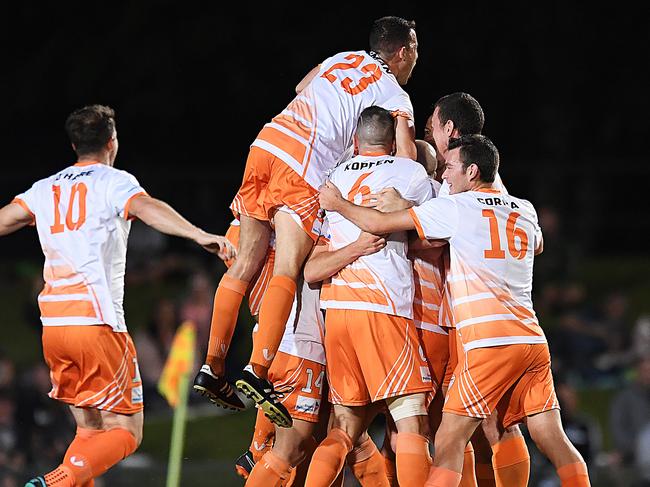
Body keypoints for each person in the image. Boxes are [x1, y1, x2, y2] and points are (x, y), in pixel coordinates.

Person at [318, 134, 591, 487]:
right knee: (550, 438)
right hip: (532, 341)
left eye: (451, 169)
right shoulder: (525, 209)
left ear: (472, 171)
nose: (445, 177)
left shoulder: (457, 208)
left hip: (486, 343)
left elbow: (376, 225)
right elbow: (536, 245)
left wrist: (339, 204)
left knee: (448, 441)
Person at [194, 16, 420, 426]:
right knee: (288, 266)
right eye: (416, 52)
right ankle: (256, 371)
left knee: (245, 262)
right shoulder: (393, 92)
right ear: (402, 53)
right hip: (303, 165)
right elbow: (405, 160)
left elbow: (301, 87)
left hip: (266, 143)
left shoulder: (342, 58)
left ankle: (212, 366)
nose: (415, 61)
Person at [0, 104, 234, 487]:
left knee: (90, 433)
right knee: (127, 431)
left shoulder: (44, 188)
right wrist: (197, 234)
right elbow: (147, 207)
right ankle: (53, 482)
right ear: (112, 141)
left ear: (74, 144)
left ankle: (61, 480)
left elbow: (6, 218)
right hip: (96, 323)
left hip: (54, 328)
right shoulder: (113, 181)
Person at [304, 106, 433, 487]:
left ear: (356, 142)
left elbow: (311, 270)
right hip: (383, 307)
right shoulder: (409, 172)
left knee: (344, 426)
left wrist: (352, 247)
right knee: (411, 416)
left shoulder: (333, 181)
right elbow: (435, 231)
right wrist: (408, 209)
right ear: (393, 143)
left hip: (338, 313)